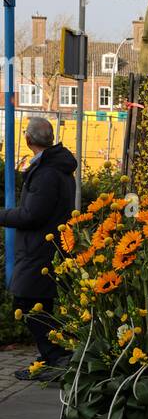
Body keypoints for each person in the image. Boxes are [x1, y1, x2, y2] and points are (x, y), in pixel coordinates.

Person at [0, 116, 77, 379]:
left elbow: (32, 214)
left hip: (39, 248)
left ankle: (56, 357)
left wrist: (3, 215)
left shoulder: (47, 172)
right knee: (39, 303)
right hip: (46, 246)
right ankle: (52, 356)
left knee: (28, 301)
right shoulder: (56, 167)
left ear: (28, 139)